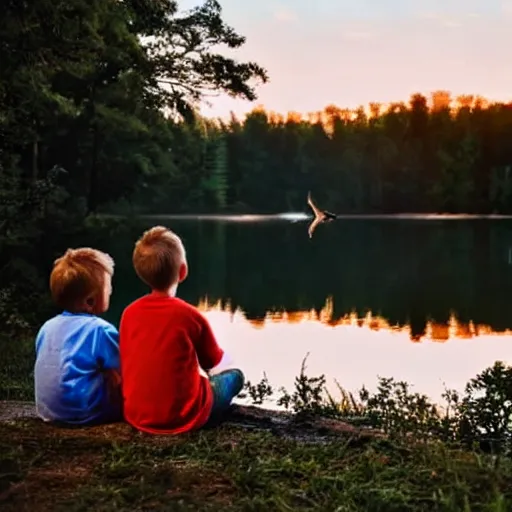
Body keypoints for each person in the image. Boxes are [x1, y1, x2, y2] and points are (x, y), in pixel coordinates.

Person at [119, 225, 244, 435]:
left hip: (136, 414)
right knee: (235, 377)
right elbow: (214, 363)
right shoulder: (189, 316)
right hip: (186, 416)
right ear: (183, 271)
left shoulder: (128, 314)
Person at [34, 248, 122, 426]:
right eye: (108, 287)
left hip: (49, 411)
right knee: (114, 373)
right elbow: (126, 367)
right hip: (85, 412)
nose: (111, 291)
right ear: (90, 301)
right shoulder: (100, 329)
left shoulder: (46, 327)